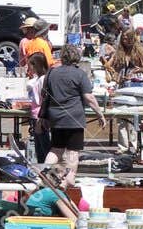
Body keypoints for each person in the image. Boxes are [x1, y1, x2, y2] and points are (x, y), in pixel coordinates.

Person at [42, 44, 107, 185]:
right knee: (72, 152)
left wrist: (44, 117)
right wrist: (100, 114)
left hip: (56, 117)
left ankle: (45, 173)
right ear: (76, 57)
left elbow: (44, 95)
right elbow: (89, 97)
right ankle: (69, 180)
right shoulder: (80, 74)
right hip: (74, 118)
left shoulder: (52, 73)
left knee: (56, 149)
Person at [25, 51, 52, 163]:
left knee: (43, 146)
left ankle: (46, 168)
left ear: (36, 65)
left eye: (30, 65)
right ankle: (42, 168)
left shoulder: (42, 80)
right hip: (36, 114)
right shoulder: (39, 78)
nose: (28, 67)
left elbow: (42, 99)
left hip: (39, 116)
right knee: (39, 146)